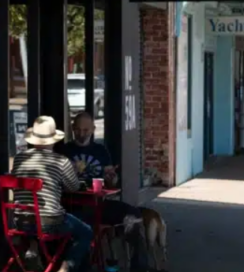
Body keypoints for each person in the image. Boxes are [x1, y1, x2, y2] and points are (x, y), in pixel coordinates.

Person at [58, 111, 149, 272]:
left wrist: (111, 177)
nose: (81, 134)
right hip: (73, 206)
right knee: (82, 229)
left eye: (85, 130)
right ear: (72, 128)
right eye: (77, 129)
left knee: (133, 216)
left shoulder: (101, 150)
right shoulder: (65, 151)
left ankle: (139, 266)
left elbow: (111, 182)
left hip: (99, 204)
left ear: (93, 129)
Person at [10, 116, 92, 272]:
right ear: (53, 140)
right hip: (49, 222)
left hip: (20, 220)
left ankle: (33, 248)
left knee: (36, 219)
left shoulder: (19, 158)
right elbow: (73, 187)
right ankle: (66, 268)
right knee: (86, 232)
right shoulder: (60, 161)